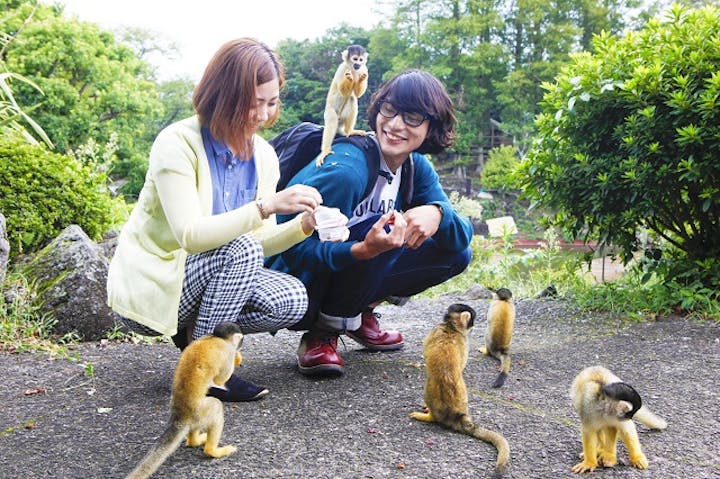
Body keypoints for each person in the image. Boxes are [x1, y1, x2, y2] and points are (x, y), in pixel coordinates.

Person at [107, 38, 322, 400]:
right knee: (239, 250)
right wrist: (266, 206)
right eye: (254, 105)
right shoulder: (176, 143)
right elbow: (190, 236)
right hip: (160, 280)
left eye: (271, 103)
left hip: (213, 276)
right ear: (224, 96)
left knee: (292, 298)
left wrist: (303, 227)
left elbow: (260, 240)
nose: (263, 115)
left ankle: (194, 334)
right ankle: (206, 370)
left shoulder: (264, 156)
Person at [269, 69, 473, 376]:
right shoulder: (347, 171)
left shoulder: (414, 166)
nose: (394, 125)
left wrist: (438, 213)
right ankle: (323, 333)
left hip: (345, 267)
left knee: (454, 253)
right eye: (389, 110)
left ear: (432, 126)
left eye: (413, 117)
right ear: (377, 109)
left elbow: (462, 237)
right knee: (386, 230)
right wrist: (362, 249)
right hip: (294, 282)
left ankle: (358, 312)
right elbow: (293, 250)